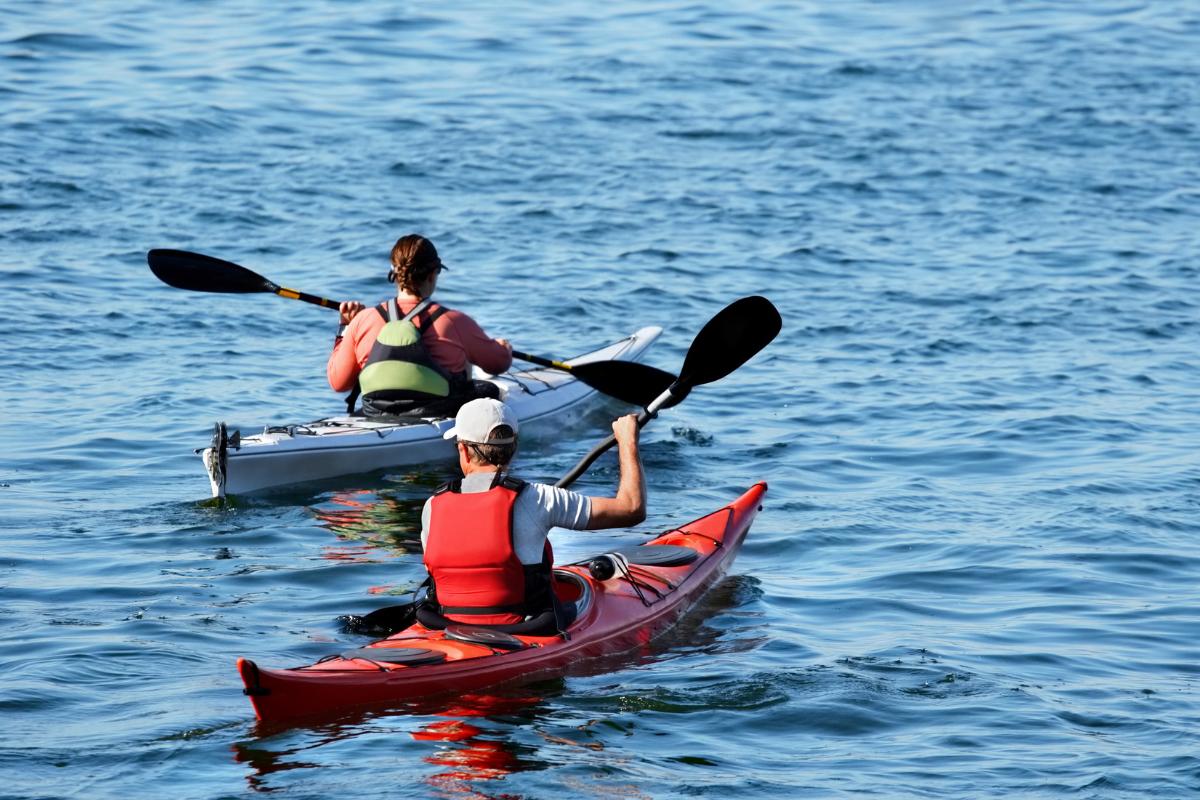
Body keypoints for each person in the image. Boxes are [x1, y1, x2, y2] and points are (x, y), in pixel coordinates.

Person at [418, 398, 646, 635]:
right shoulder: (539, 499)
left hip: (446, 628)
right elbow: (631, 508)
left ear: (463, 450)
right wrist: (627, 441)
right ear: (513, 448)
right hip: (523, 630)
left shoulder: (432, 506)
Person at [327, 234, 513, 417]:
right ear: (432, 275)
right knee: (488, 389)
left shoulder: (362, 320)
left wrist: (345, 328)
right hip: (438, 410)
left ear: (395, 274)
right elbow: (498, 363)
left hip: (376, 412)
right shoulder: (453, 321)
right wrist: (503, 348)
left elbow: (339, 383)